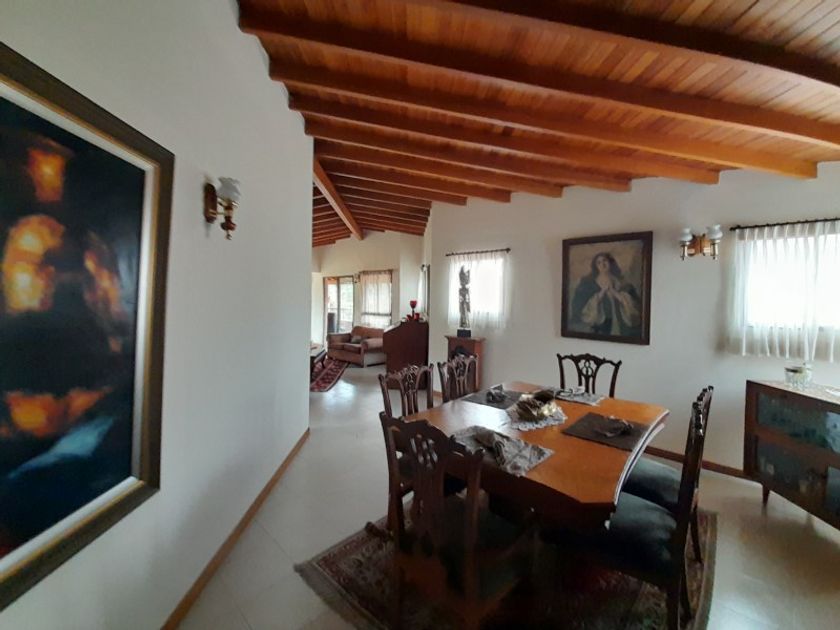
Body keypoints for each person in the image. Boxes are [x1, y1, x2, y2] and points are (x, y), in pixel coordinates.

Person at [571, 252, 642, 337]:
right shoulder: (589, 284)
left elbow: (635, 307)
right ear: (596, 266)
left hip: (621, 323)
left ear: (610, 263)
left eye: (605, 260)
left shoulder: (622, 283)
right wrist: (600, 295)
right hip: (602, 326)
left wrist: (617, 295)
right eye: (599, 262)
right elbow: (582, 309)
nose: (602, 264)